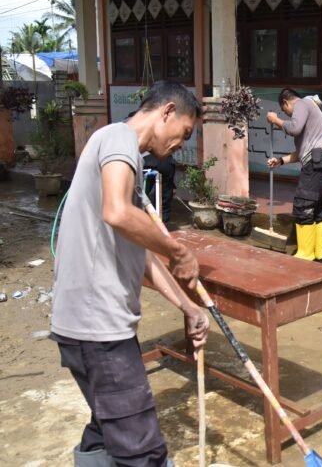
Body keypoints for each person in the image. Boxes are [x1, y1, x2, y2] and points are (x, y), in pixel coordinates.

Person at [50, 80, 210, 467]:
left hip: (81, 330)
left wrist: (187, 306)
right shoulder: (120, 138)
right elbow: (117, 213)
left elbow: (141, 260)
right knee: (141, 450)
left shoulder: (124, 160)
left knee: (105, 428)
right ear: (167, 111)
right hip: (99, 331)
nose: (180, 145)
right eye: (184, 134)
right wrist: (177, 249)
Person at [267, 90, 322, 262]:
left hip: (317, 164)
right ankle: (318, 254)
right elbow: (302, 153)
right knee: (319, 208)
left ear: (286, 102)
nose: (288, 115)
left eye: (285, 111)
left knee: (303, 205)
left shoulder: (302, 103)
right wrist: (281, 161)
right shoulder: (311, 110)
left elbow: (294, 128)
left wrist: (276, 120)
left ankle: (305, 255)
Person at [143, 154, 176, 223]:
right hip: (166, 162)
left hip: (147, 161)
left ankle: (141, 220)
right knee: (165, 199)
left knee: (141, 194)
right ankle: (163, 224)